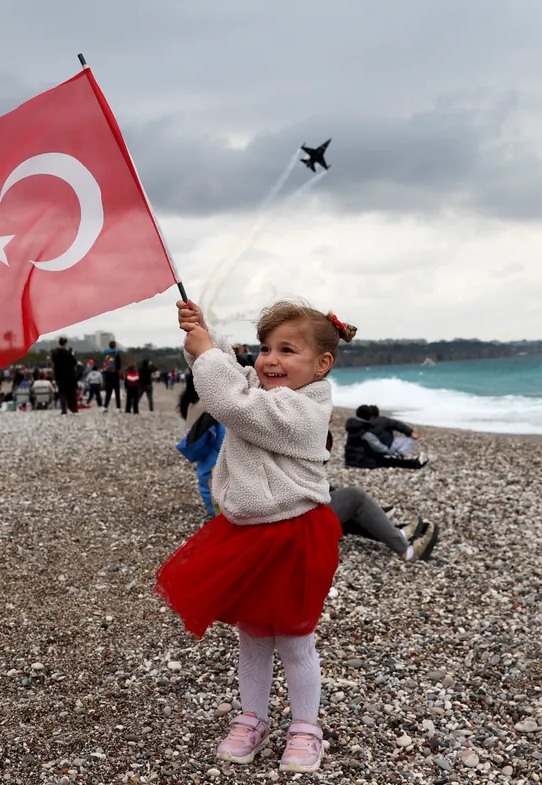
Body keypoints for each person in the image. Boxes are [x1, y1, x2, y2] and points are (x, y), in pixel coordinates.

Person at [154, 298, 356, 774]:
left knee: (294, 637)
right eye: (265, 348)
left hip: (295, 535)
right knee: (252, 634)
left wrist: (206, 356)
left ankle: (306, 728)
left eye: (288, 350)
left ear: (321, 365)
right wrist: (205, 338)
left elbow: (233, 403)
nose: (269, 359)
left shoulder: (304, 411)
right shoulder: (262, 387)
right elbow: (235, 378)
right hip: (246, 533)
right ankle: (253, 717)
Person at [176, 372, 223, 517]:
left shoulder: (189, 401)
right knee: (213, 475)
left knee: (205, 476)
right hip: (207, 442)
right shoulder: (207, 403)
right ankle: (219, 512)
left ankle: (215, 510)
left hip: (195, 441)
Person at [343, 405, 431, 469]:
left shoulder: (353, 426)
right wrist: (389, 453)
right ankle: (415, 464)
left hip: (350, 459)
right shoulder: (365, 431)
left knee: (388, 460)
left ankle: (413, 463)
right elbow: (378, 446)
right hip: (363, 461)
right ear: (370, 417)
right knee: (390, 461)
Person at [51, 337, 80, 415]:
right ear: (65, 343)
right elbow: (74, 362)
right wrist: (72, 355)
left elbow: (53, 362)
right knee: (72, 392)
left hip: (59, 375)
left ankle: (64, 409)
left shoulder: (55, 353)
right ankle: (74, 408)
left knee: (62, 393)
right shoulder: (68, 353)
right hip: (69, 375)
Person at [101, 340, 122, 410]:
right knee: (117, 391)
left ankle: (105, 406)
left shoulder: (105, 354)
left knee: (108, 391)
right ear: (115, 345)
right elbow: (119, 365)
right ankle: (118, 407)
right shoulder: (116, 353)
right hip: (114, 373)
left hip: (107, 373)